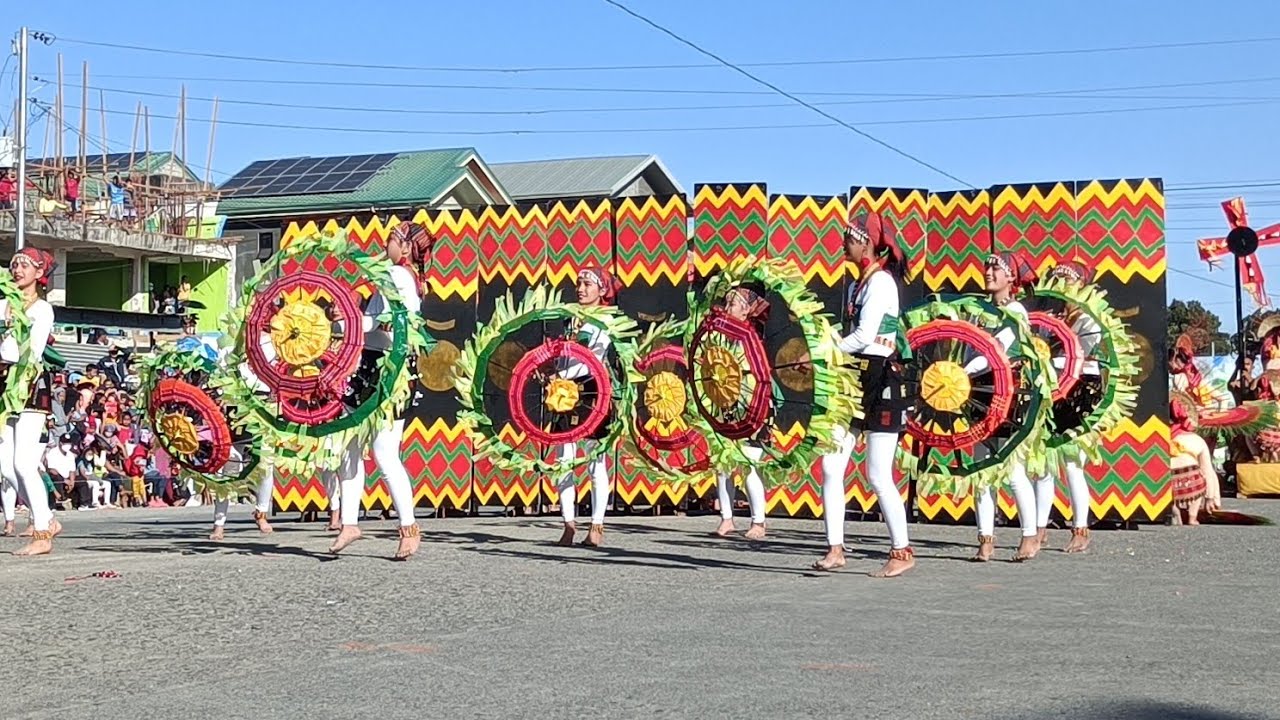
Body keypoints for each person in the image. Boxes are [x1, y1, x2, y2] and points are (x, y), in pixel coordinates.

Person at [814, 212, 915, 577]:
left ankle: (902, 551)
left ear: (866, 242)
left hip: (882, 378)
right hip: (855, 377)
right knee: (831, 465)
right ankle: (835, 548)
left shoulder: (881, 283)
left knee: (877, 473)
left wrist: (824, 350)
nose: (844, 243)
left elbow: (865, 336)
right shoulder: (860, 284)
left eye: (849, 237)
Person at [329, 222, 432, 560]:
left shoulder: (400, 277)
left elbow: (390, 323)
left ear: (406, 249)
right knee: (350, 448)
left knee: (385, 453)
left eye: (393, 239)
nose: (385, 242)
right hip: (370, 364)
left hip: (391, 369)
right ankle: (349, 523)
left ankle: (408, 528)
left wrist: (343, 325)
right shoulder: (387, 275)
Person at [967, 252, 1044, 562]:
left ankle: (1029, 536)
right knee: (981, 467)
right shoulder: (979, 311)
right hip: (975, 393)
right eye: (987, 266)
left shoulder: (1016, 312)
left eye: (996, 268)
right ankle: (985, 538)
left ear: (1011, 278)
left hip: (1006, 394)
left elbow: (996, 351)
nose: (988, 272)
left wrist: (963, 372)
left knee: (1012, 469)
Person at [1031, 261, 1104, 554]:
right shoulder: (1053, 318)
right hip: (1052, 390)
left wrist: (1047, 360)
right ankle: (1038, 528)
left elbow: (1080, 356)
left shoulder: (1090, 321)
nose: (1061, 285)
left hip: (1080, 391)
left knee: (1073, 464)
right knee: (1044, 462)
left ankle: (1081, 528)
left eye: (1066, 280)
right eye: (1057, 280)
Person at [549, 265, 619, 548]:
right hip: (563, 396)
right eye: (578, 283)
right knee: (563, 460)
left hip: (591, 393)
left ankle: (597, 526)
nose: (580, 288)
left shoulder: (606, 322)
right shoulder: (571, 320)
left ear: (601, 290)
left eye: (587, 284)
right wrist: (553, 371)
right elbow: (566, 357)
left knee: (595, 461)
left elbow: (591, 356)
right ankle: (568, 524)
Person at [0, 248, 62, 554]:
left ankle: (42, 534)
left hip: (28, 386)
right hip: (3, 388)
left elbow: (29, 352)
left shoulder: (41, 309)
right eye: (14, 265)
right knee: (6, 464)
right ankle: (47, 518)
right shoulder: (3, 305)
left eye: (25, 265)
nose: (17, 269)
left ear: (39, 273)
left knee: (24, 463)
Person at [711, 282, 770, 541]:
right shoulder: (721, 336)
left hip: (752, 406)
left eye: (731, 304)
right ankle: (727, 517)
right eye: (725, 303)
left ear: (746, 310)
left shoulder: (756, 338)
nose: (726, 308)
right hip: (725, 404)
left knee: (749, 464)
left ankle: (759, 521)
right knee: (723, 464)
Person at [1170, 392, 1221, 525]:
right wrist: (1210, 497)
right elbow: (1208, 471)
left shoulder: (1162, 437)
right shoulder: (1197, 440)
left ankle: (1175, 510)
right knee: (1202, 474)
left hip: (1169, 483)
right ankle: (1193, 516)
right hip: (1193, 483)